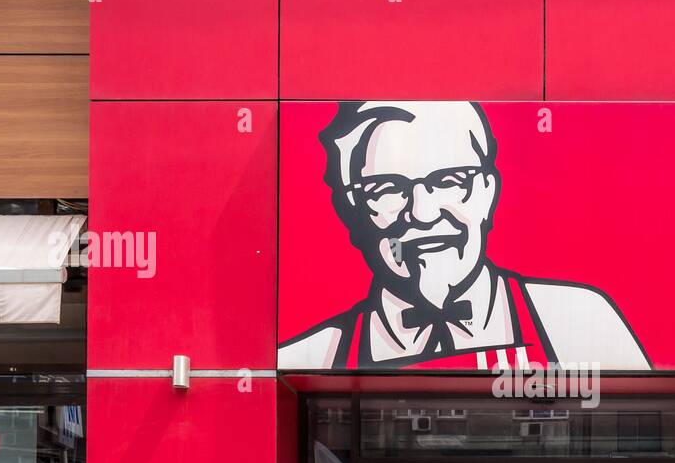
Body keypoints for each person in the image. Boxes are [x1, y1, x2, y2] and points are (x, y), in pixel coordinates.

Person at [277, 101, 652, 371]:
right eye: (387, 189)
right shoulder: (311, 357)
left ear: (488, 193)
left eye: (450, 182)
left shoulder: (577, 320)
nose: (422, 213)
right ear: (352, 212)